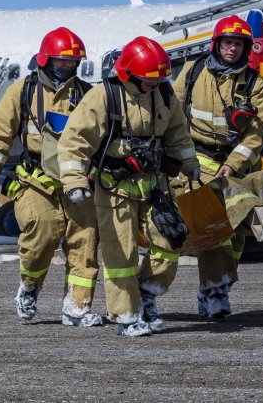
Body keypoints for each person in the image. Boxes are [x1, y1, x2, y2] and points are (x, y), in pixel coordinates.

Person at [57, 36, 200, 337]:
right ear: (128, 73)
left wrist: (189, 162)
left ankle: (147, 293)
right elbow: (73, 142)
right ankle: (126, 316)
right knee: (120, 254)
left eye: (157, 79)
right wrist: (73, 182)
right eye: (147, 80)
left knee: (171, 240)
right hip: (114, 187)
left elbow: (177, 132)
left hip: (155, 185)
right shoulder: (102, 97)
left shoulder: (162, 93)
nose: (153, 85)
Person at [173, 14, 263, 319]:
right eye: (227, 42)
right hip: (199, 162)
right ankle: (214, 292)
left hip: (234, 166)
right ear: (216, 44)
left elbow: (256, 133)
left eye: (238, 43)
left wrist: (233, 164)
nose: (232, 49)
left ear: (246, 47)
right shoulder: (192, 73)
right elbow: (172, 113)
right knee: (217, 227)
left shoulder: (254, 83)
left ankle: (219, 286)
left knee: (235, 236)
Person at [0, 27, 102, 327]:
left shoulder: (89, 95)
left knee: (84, 241)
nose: (68, 67)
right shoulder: (22, 92)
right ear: (46, 60)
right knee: (41, 234)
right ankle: (30, 287)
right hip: (36, 180)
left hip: (80, 181)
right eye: (61, 62)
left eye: (73, 63)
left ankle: (77, 307)